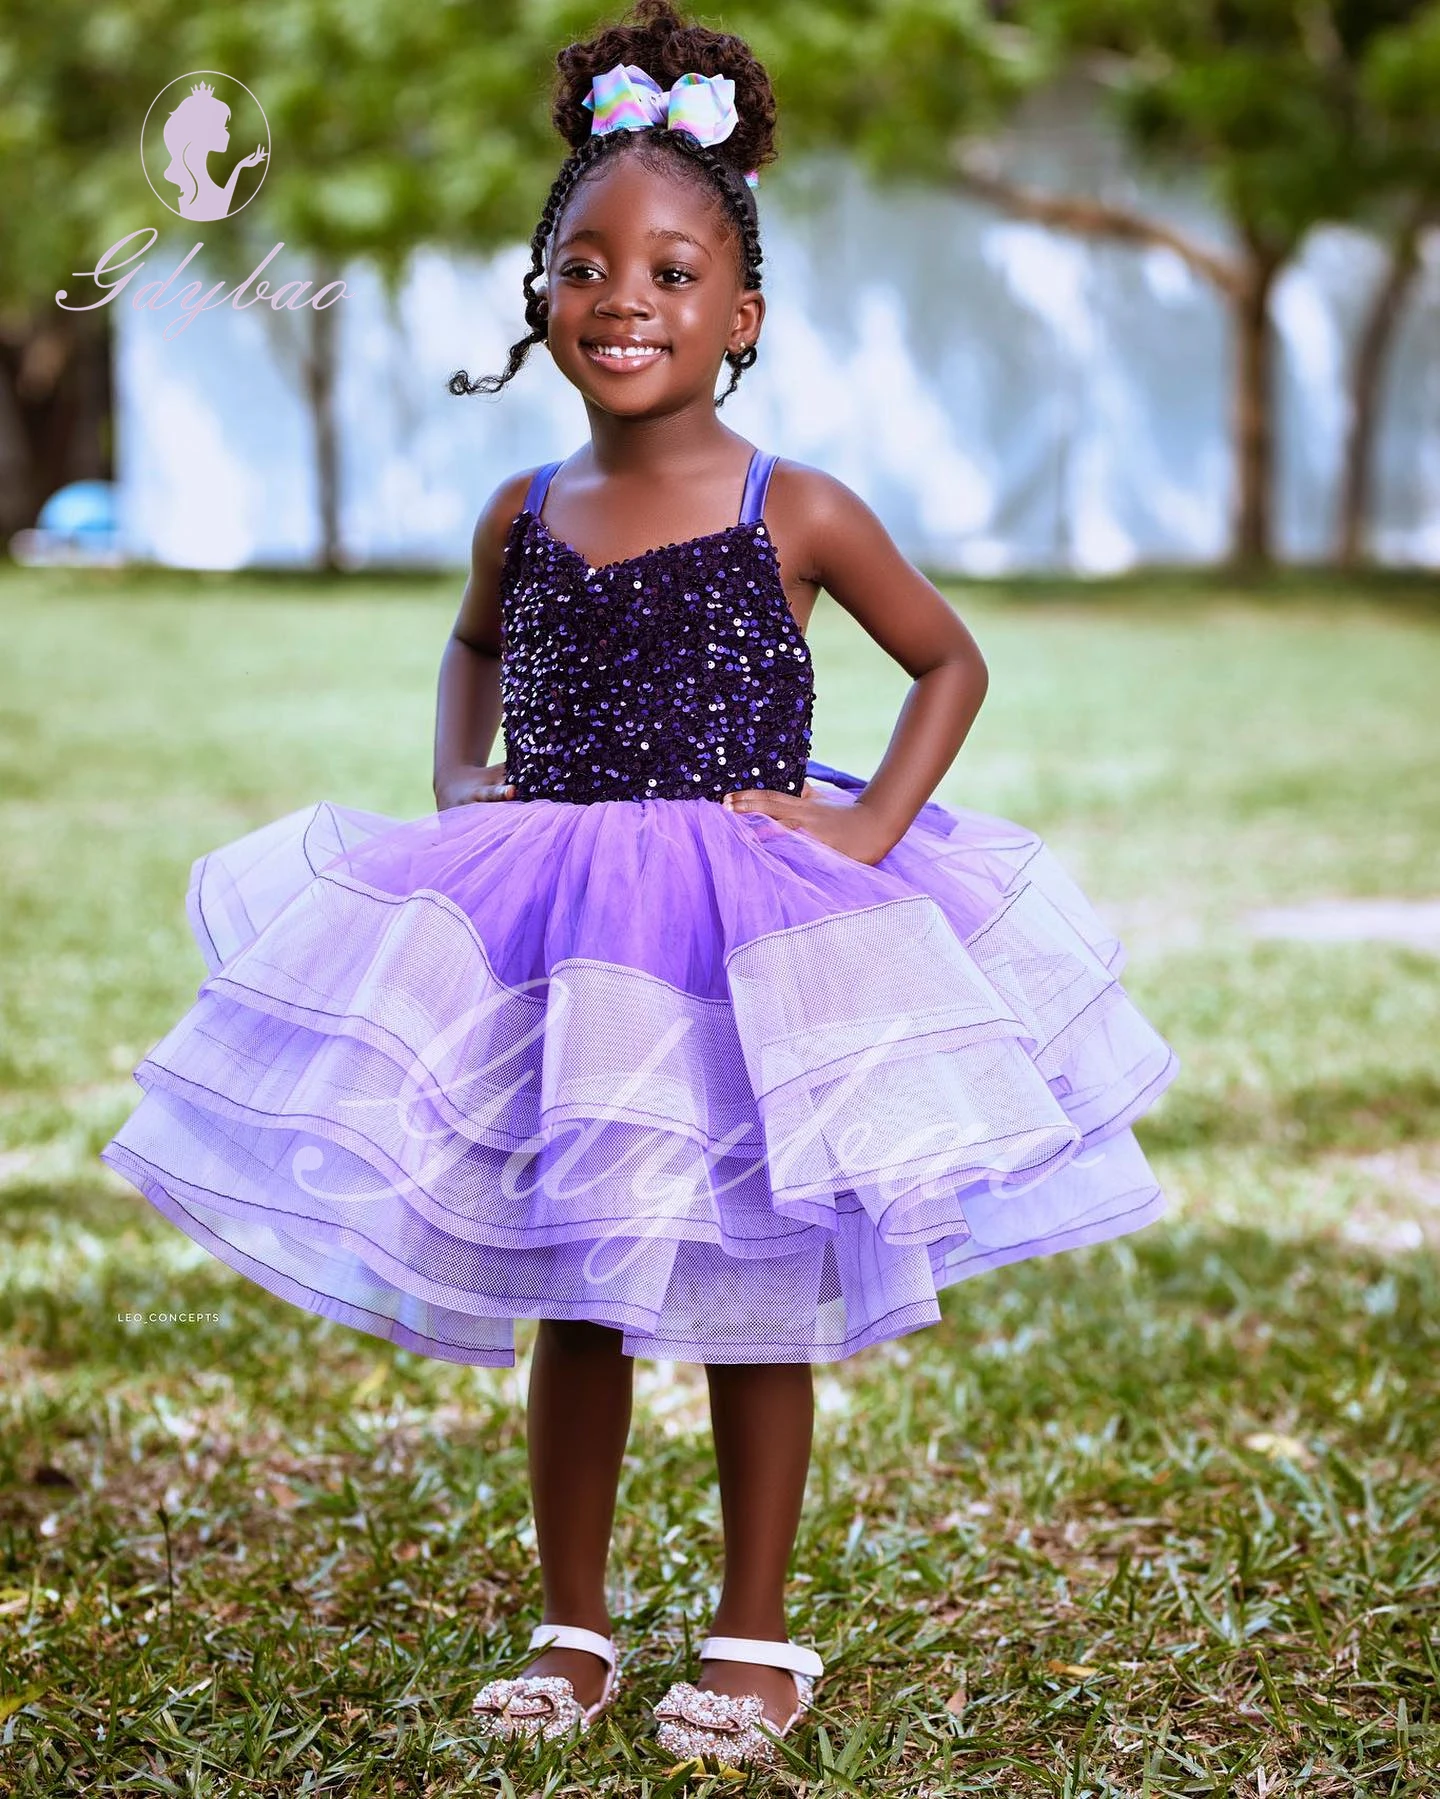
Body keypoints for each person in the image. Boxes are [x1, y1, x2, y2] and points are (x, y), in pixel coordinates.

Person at [102, 0, 1179, 1772]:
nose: (625, 299)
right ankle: (573, 1617)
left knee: (759, 1274)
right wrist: (462, 777)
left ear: (739, 316)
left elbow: (948, 664)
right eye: (587, 264)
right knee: (576, 1279)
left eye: (674, 271)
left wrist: (867, 832)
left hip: (749, 926)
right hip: (563, 928)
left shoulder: (796, 506)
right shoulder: (522, 510)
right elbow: (468, 655)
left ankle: (757, 1633)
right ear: (542, 296)